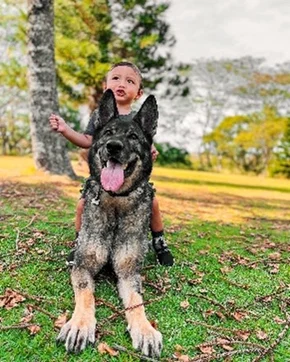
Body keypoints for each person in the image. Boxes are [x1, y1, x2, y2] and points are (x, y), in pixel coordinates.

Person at [49, 61, 174, 266]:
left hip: (131, 182)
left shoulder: (138, 118)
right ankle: (80, 242)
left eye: (130, 80)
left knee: (153, 203)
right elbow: (87, 141)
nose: (121, 83)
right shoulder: (100, 116)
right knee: (82, 205)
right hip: (102, 178)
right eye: (115, 78)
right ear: (105, 85)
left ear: (139, 93)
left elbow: (146, 145)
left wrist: (152, 150)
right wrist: (65, 129)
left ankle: (159, 241)